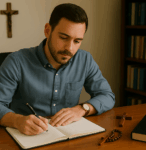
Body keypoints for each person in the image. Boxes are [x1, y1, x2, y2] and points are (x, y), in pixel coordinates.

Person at [0, 3, 115, 136]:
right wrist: (17, 120)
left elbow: (107, 96)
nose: (70, 48)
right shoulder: (16, 61)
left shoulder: (85, 60)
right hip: (25, 137)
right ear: (47, 30)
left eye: (77, 41)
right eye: (63, 38)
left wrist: (82, 109)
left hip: (69, 136)